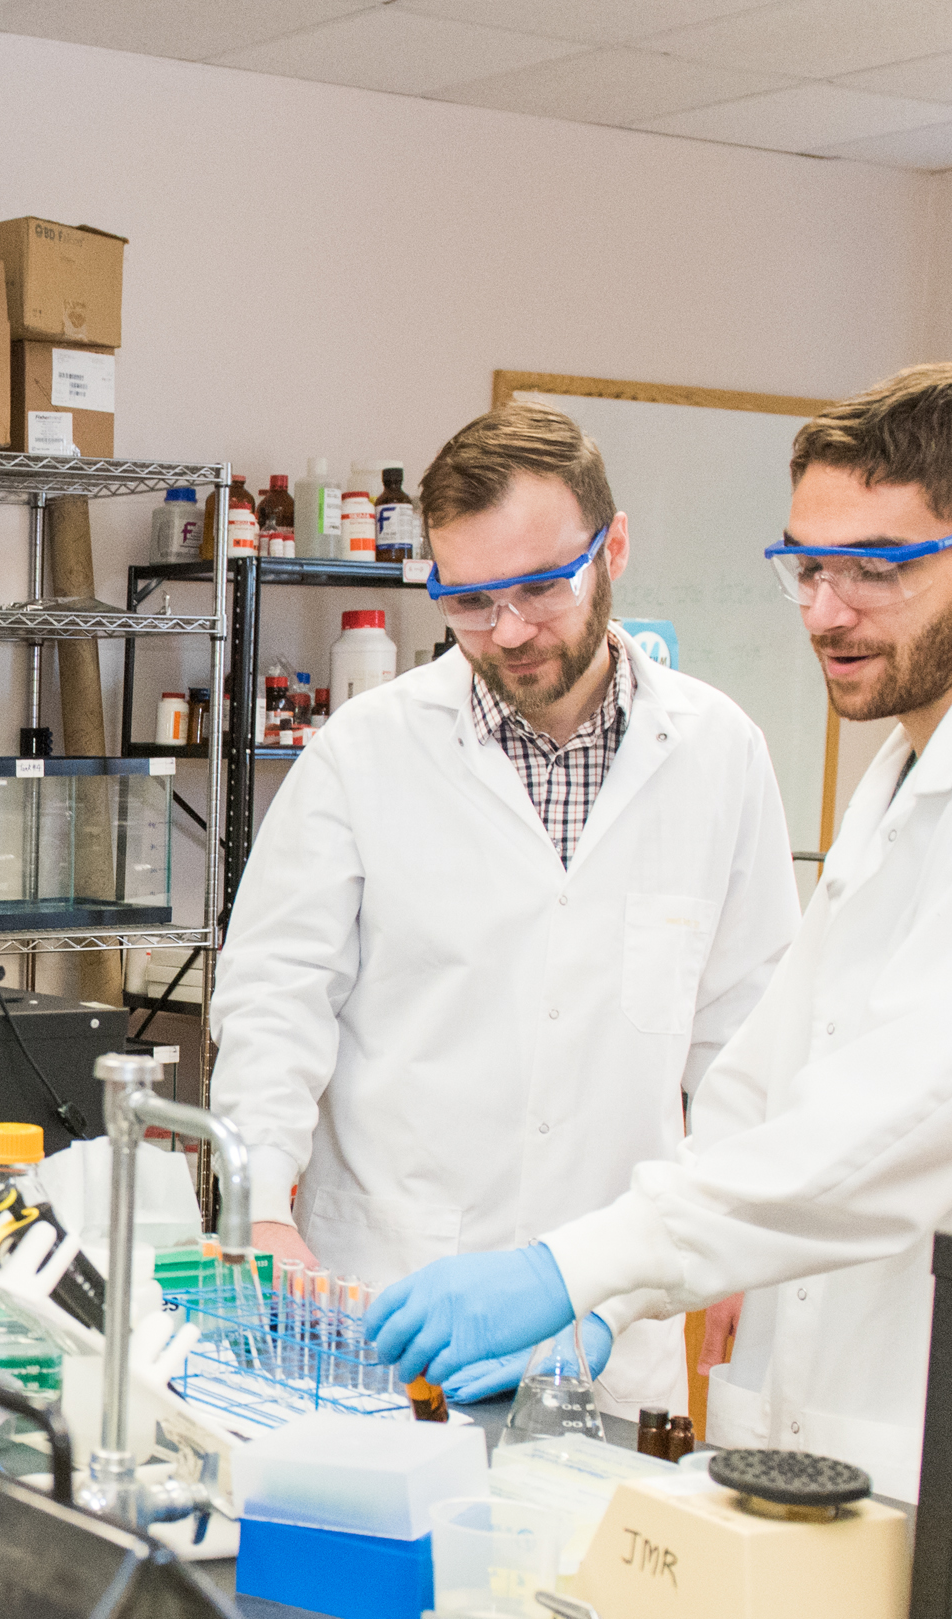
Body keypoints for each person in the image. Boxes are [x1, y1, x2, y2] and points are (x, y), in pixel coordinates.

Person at [366, 363, 952, 1495]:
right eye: (805, 567)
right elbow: (761, 1086)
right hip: (847, 1419)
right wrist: (610, 1297)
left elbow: (902, 1122)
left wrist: (571, 1264)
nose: (824, 610)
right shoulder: (907, 780)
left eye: (874, 568)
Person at [208, 401, 800, 1415]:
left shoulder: (717, 751)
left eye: (537, 587)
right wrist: (261, 1209)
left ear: (612, 549)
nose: (509, 632)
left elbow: (744, 1033)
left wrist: (733, 1240)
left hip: (611, 1322)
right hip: (391, 1302)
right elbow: (274, 1001)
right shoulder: (364, 752)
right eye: (468, 601)